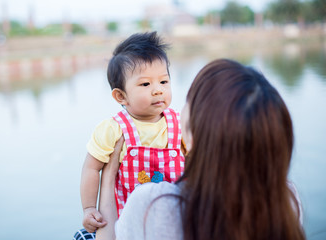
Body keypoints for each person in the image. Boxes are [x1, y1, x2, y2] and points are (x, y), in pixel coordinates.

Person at [98, 58, 306, 240]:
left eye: (190, 101)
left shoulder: (156, 205)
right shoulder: (285, 198)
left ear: (194, 135)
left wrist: (108, 179)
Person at [76, 31, 185, 239]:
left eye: (164, 82)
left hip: (173, 220)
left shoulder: (180, 124)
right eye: (145, 84)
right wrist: (89, 208)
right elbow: (91, 167)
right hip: (126, 221)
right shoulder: (113, 129)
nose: (157, 90)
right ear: (121, 96)